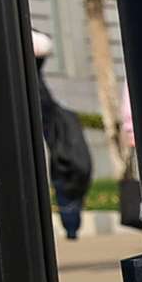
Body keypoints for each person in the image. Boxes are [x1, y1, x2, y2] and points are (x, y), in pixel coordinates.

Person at [32, 31, 91, 242]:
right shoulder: (61, 119)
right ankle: (71, 228)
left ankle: (71, 229)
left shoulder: (58, 119)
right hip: (64, 154)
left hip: (63, 155)